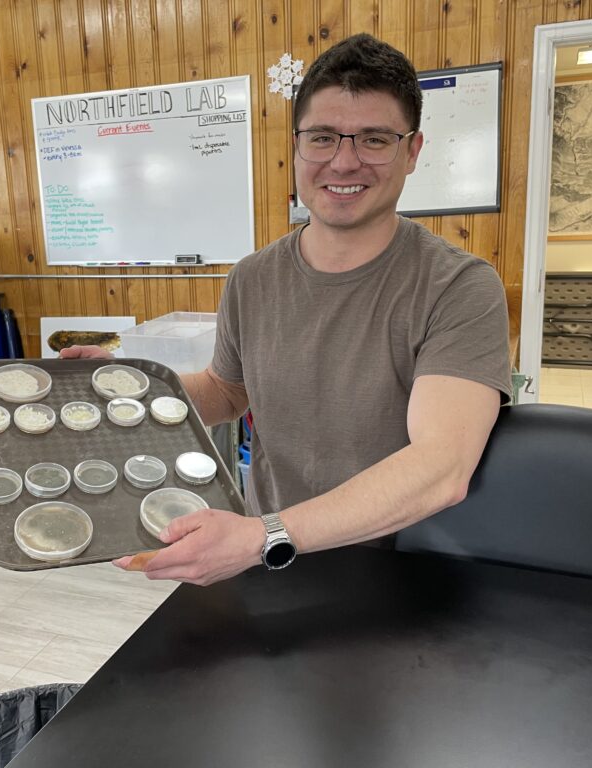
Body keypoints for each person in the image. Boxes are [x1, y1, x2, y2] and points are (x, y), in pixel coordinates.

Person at [61, 33, 511, 585]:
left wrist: (263, 535)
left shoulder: (459, 286)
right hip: (273, 562)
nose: (343, 162)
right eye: (322, 138)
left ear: (413, 151)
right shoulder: (253, 277)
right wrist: (129, 389)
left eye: (374, 139)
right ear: (297, 146)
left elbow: (442, 465)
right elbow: (227, 391)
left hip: (401, 574)